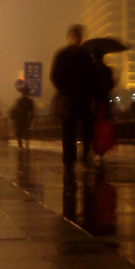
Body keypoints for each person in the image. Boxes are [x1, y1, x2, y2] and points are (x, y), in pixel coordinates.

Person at [50, 24, 96, 170]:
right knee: (69, 130)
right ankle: (69, 157)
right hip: (70, 100)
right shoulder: (65, 56)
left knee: (82, 128)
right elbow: (55, 76)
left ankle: (79, 155)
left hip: (81, 99)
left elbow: (92, 79)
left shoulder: (85, 57)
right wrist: (64, 91)